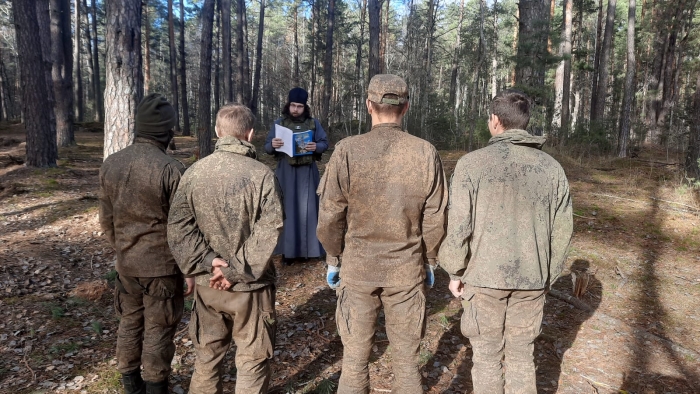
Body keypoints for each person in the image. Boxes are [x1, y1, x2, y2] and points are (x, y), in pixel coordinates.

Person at [317, 74, 448, 394]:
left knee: (354, 362)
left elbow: (331, 213)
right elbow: (436, 216)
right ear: (405, 108)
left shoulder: (347, 150)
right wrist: (429, 259)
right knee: (406, 364)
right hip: (406, 270)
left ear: (368, 106)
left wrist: (334, 258)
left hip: (358, 268)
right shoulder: (424, 152)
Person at [438, 90, 573, 394]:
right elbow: (562, 231)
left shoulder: (472, 164)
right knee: (522, 356)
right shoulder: (551, 169)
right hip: (533, 278)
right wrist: (547, 276)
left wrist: (455, 272)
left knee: (486, 356)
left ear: (495, 121)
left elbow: (459, 226)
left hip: (484, 279)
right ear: (525, 122)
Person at [168, 104, 283, 394]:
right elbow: (270, 229)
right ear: (251, 134)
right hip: (251, 289)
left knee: (206, 360)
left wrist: (208, 262)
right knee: (252, 362)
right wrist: (233, 270)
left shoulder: (194, 173)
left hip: (209, 286)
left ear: (219, 132)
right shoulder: (262, 175)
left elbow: (178, 228)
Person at [98, 93, 194, 394]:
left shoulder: (111, 164)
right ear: (167, 131)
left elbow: (106, 219)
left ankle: (130, 383)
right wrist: (189, 268)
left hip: (127, 264)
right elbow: (183, 227)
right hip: (161, 267)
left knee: (129, 322)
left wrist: (123, 249)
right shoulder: (171, 169)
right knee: (159, 328)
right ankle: (155, 387)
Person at [264, 87, 329, 264]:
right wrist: (273, 144)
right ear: (288, 104)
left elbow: (324, 142)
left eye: (299, 106)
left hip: (307, 172)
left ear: (304, 107)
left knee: (309, 210)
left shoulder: (313, 123)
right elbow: (267, 148)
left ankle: (312, 250)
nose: (295, 109)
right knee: (287, 210)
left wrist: (317, 146)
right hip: (286, 171)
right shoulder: (280, 123)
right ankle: (288, 252)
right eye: (293, 105)